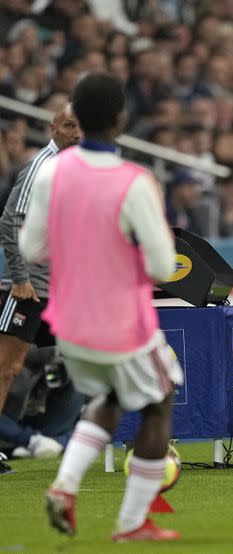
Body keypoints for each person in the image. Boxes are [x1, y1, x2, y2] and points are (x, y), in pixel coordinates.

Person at [19, 73, 182, 542]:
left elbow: (31, 248)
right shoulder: (134, 181)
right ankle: (132, 523)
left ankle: (66, 487)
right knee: (158, 401)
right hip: (122, 322)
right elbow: (161, 264)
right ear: (119, 119)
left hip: (69, 321)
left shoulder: (51, 173)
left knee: (111, 398)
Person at [0, 103, 80, 474]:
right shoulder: (41, 167)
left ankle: (50, 439)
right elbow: (8, 221)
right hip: (28, 288)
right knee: (7, 368)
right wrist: (19, 278)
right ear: (53, 129)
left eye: (82, 127)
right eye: (69, 126)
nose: (77, 133)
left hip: (59, 292)